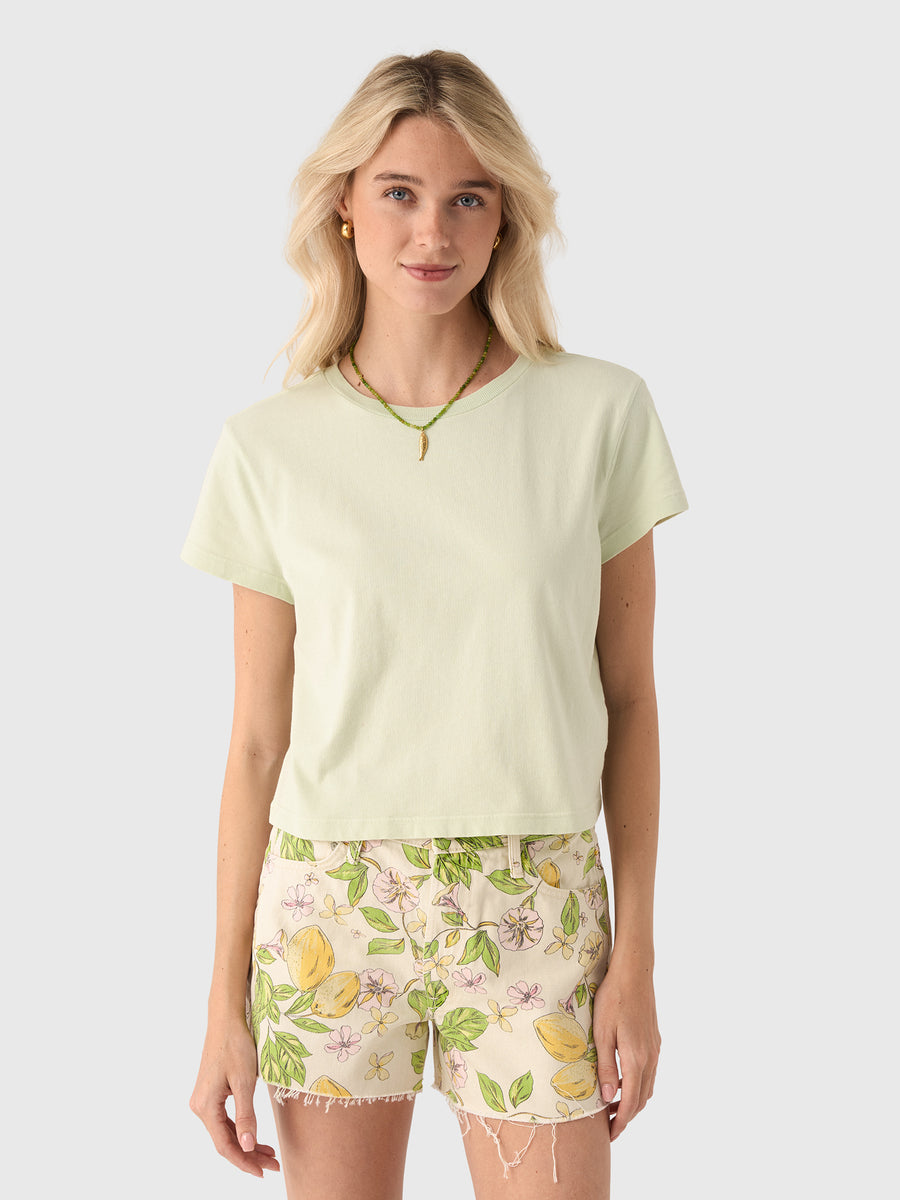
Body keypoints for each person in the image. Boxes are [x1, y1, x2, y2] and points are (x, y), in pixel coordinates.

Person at [182, 50, 688, 1200]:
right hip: (329, 906)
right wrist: (222, 1004)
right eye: (400, 193)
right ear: (344, 207)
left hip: (538, 903)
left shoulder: (598, 414)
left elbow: (631, 698)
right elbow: (255, 742)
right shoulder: (268, 448)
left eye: (469, 198)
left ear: (506, 218)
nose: (433, 233)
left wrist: (638, 958)